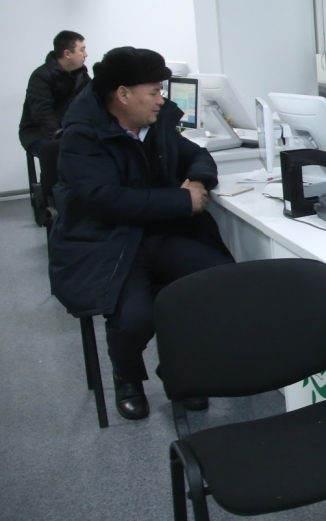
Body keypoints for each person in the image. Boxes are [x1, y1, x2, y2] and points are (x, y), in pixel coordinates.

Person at [48, 47, 234, 421]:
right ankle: (127, 377)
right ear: (123, 94)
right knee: (134, 317)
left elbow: (196, 155)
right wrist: (181, 201)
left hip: (160, 233)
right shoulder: (82, 136)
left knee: (219, 283)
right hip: (108, 242)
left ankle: (181, 369)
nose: (161, 99)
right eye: (154, 91)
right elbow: (107, 199)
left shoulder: (156, 122)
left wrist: (198, 181)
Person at [19, 30, 90, 157]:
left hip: (69, 130)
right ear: (67, 54)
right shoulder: (41, 76)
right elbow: (43, 114)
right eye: (82, 50)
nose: (86, 54)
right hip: (38, 133)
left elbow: (92, 102)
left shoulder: (81, 75)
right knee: (65, 156)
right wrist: (61, 136)